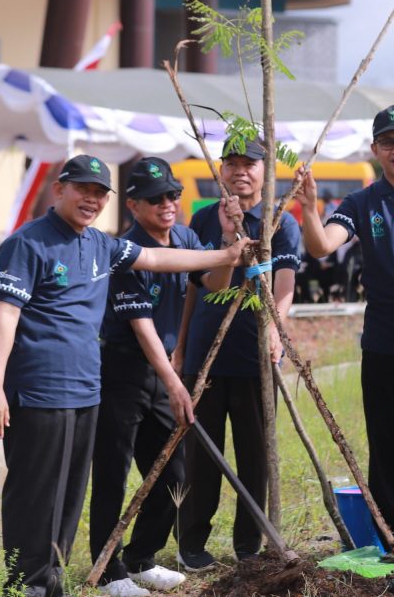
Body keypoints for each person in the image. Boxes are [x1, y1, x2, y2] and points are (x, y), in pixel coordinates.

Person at [0, 155, 251, 597]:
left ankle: (51, 580)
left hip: (87, 387)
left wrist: (226, 252)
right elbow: (7, 315)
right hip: (39, 388)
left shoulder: (102, 245)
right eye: (82, 189)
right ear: (59, 190)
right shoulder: (28, 242)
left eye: (98, 192)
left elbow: (157, 258)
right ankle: (25, 584)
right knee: (35, 491)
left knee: (70, 495)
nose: (90, 199)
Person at [90, 158, 242, 597]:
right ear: (133, 205)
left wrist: (230, 239)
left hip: (162, 374)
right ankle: (108, 571)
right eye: (155, 199)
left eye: (173, 195)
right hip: (123, 370)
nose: (167, 204)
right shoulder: (125, 252)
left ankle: (142, 556)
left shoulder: (186, 238)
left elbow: (214, 283)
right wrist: (176, 378)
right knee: (113, 475)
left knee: (176, 473)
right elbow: (142, 328)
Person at [298, 104, 394, 557]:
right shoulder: (360, 202)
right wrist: (308, 206)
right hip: (384, 342)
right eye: (388, 142)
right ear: (375, 149)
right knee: (386, 443)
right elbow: (321, 247)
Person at [175, 138, 300, 571]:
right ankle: (191, 544)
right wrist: (182, 344)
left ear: (266, 170)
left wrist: (275, 328)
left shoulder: (279, 222)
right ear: (221, 169)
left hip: (254, 357)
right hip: (205, 357)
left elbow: (284, 287)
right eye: (232, 163)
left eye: (250, 163)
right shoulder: (204, 218)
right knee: (201, 456)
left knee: (254, 455)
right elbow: (201, 286)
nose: (240, 171)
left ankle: (248, 544)